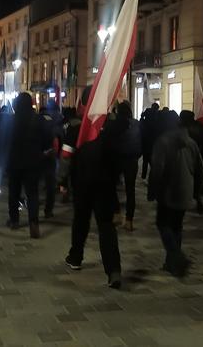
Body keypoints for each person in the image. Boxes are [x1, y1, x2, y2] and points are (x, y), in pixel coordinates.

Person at [62, 86, 123, 288]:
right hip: (105, 183)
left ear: (84, 102)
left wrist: (62, 181)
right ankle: (113, 270)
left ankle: (76, 257)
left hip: (82, 182)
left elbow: (66, 156)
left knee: (81, 220)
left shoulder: (75, 128)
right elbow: (116, 159)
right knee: (106, 226)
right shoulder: (109, 128)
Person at [147, 110, 203, 277]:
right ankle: (171, 262)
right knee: (177, 226)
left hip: (167, 190)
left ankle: (176, 256)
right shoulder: (191, 142)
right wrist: (198, 195)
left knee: (163, 223)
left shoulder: (162, 141)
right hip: (185, 189)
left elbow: (157, 169)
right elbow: (199, 170)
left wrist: (152, 190)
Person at [6, 93, 51, 239]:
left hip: (14, 162)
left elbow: (4, 141)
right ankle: (34, 223)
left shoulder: (11, 120)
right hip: (32, 161)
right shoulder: (38, 119)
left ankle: (14, 220)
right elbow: (47, 139)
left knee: (14, 192)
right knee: (32, 194)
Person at [113, 101, 141, 231]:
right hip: (132, 160)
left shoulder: (116, 123)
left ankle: (117, 213)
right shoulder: (136, 123)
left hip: (118, 159)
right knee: (130, 190)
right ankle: (129, 220)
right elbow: (142, 140)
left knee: (111, 186)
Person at [41, 99, 64, 218]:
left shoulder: (44, 120)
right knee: (52, 180)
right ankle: (48, 209)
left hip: (44, 153)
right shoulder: (60, 119)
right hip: (55, 152)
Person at [139, 103, 160, 179]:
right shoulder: (157, 116)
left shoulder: (147, 113)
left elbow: (141, 120)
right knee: (152, 160)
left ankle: (143, 176)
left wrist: (142, 117)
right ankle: (153, 175)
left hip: (145, 140)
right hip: (153, 141)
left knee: (145, 160)